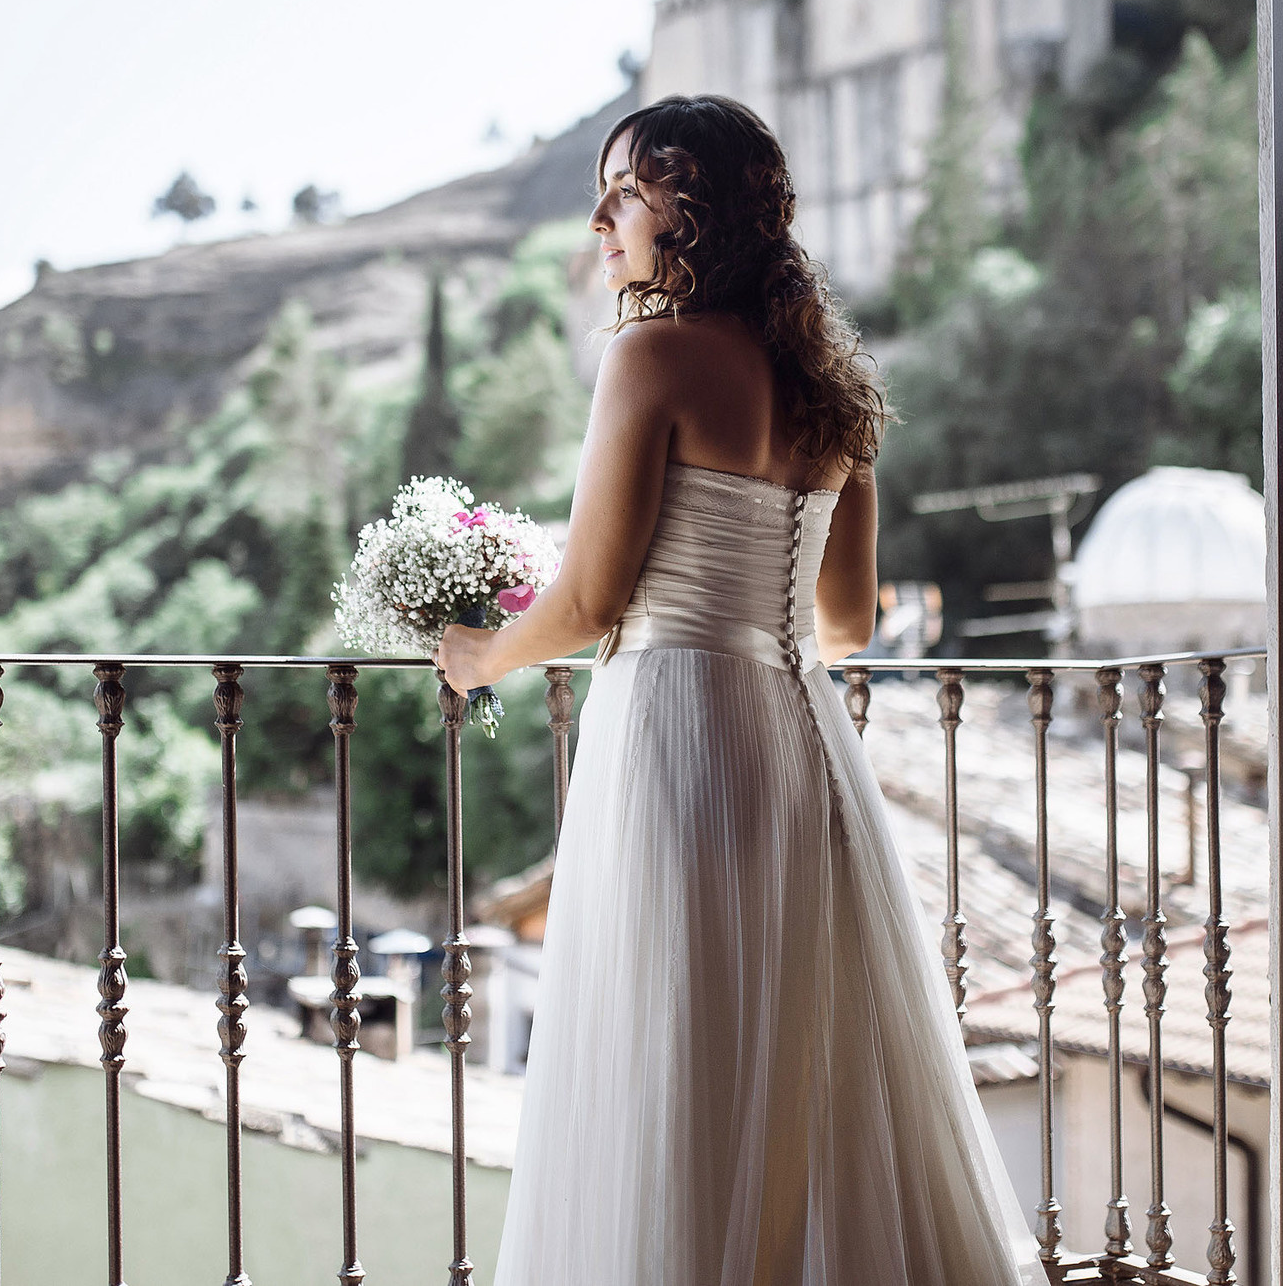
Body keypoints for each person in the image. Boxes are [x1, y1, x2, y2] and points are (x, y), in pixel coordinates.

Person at [437, 95, 1031, 1285]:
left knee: (676, 1049)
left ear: (690, 204)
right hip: (798, 733)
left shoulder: (649, 354)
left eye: (626, 189)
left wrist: (479, 654)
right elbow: (850, 620)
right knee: (804, 1057)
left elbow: (591, 600)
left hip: (675, 735)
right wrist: (744, 592)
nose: (602, 218)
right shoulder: (834, 387)